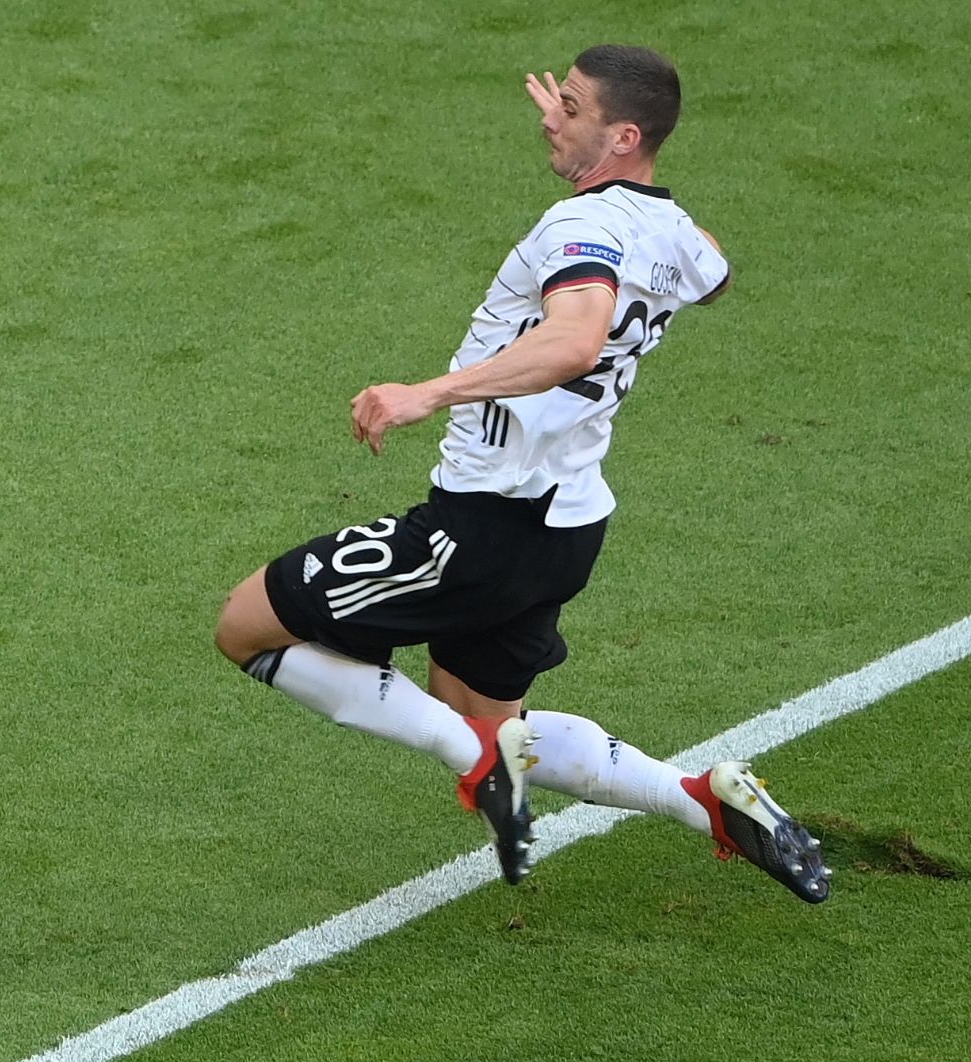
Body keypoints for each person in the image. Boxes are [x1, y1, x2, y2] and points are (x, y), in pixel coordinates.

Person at [214, 45, 830, 903]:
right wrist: (624, 173)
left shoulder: (576, 229)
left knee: (245, 628)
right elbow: (712, 272)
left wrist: (425, 392)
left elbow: (575, 339)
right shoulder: (669, 232)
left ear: (623, 134)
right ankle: (702, 801)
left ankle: (476, 765)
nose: (549, 114)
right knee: (484, 715)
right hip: (568, 527)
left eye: (570, 108)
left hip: (483, 525)